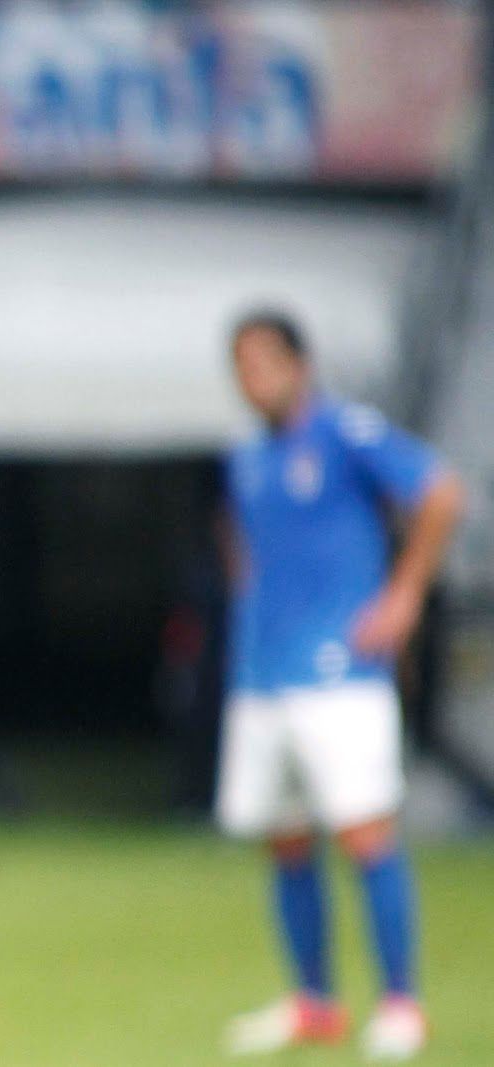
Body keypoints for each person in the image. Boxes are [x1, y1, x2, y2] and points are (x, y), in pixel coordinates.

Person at [216, 311, 463, 1061]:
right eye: (242, 365)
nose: (253, 378)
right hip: (264, 671)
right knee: (286, 839)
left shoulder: (347, 432)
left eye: (265, 361)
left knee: (364, 830)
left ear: (300, 362)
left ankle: (400, 1000)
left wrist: (404, 594)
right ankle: (314, 1002)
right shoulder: (247, 458)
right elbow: (247, 547)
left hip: (340, 670)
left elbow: (440, 491)